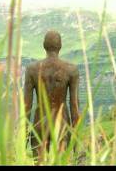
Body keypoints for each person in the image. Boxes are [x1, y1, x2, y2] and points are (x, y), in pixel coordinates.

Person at [24, 30, 80, 163]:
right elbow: (74, 107)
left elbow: (26, 106)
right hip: (61, 125)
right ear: (60, 46)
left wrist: (23, 138)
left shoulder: (32, 69)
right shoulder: (71, 70)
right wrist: (76, 144)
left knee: (39, 163)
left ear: (44, 45)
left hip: (39, 125)